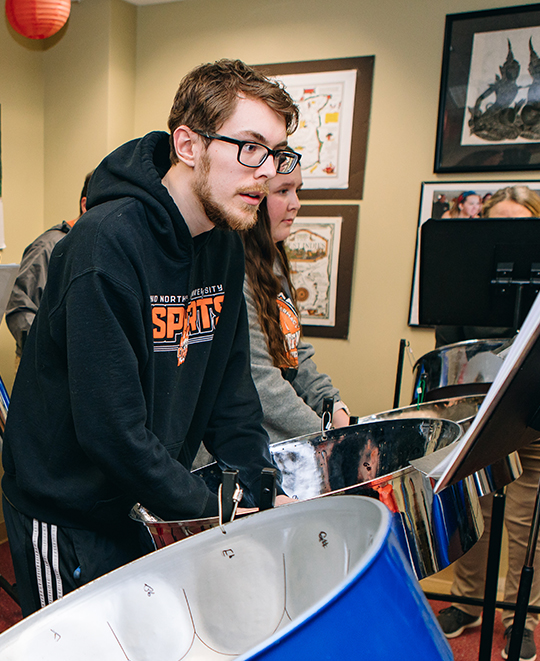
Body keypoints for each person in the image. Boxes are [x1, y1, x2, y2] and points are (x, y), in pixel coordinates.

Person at [1, 58, 299, 617]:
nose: (267, 171)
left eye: (278, 153)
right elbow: (110, 430)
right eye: (251, 147)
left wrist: (260, 489)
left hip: (141, 500)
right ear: (188, 144)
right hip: (67, 509)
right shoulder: (103, 246)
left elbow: (232, 400)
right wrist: (218, 508)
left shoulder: (223, 241)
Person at [436, 185, 540, 661]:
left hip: (531, 413)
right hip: (474, 411)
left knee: (525, 518)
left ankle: (523, 617)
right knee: (471, 505)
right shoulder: (467, 277)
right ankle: (466, 601)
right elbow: (448, 339)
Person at [241, 165, 350, 443]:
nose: (296, 204)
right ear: (255, 197)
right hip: (247, 451)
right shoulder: (235, 272)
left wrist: (334, 407)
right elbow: (261, 382)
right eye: (283, 191)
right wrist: (325, 439)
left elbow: (293, 351)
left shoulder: (273, 259)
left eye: (297, 190)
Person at [5, 172, 93, 362]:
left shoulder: (98, 246)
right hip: (43, 366)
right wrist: (49, 354)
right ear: (85, 205)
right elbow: (20, 307)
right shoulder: (48, 247)